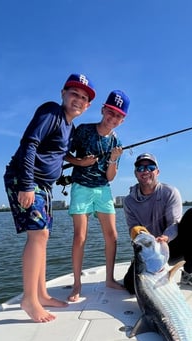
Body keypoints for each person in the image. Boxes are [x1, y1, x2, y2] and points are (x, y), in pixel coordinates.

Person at [4, 73, 95, 322]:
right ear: (63, 94)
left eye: (84, 98)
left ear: (87, 106)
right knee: (39, 235)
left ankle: (42, 293)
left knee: (43, 236)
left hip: (44, 185)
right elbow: (29, 143)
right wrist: (26, 185)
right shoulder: (51, 112)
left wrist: (80, 162)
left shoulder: (69, 126)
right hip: (26, 179)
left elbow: (59, 153)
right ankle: (29, 299)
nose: (78, 99)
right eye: (74, 93)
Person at [64, 90, 130, 302]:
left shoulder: (116, 142)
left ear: (123, 119)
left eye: (118, 115)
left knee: (112, 236)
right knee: (79, 236)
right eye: (110, 112)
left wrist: (112, 160)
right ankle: (77, 284)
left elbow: (110, 177)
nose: (113, 118)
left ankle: (110, 279)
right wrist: (80, 163)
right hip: (81, 187)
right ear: (103, 110)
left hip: (103, 188)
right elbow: (63, 153)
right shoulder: (83, 130)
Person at [123, 152, 192, 294]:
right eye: (140, 168)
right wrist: (139, 234)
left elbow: (174, 223)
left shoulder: (170, 192)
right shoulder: (129, 201)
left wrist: (165, 238)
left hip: (173, 245)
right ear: (135, 173)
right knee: (130, 287)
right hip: (149, 251)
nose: (145, 171)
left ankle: (189, 272)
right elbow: (132, 228)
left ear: (157, 172)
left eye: (150, 167)